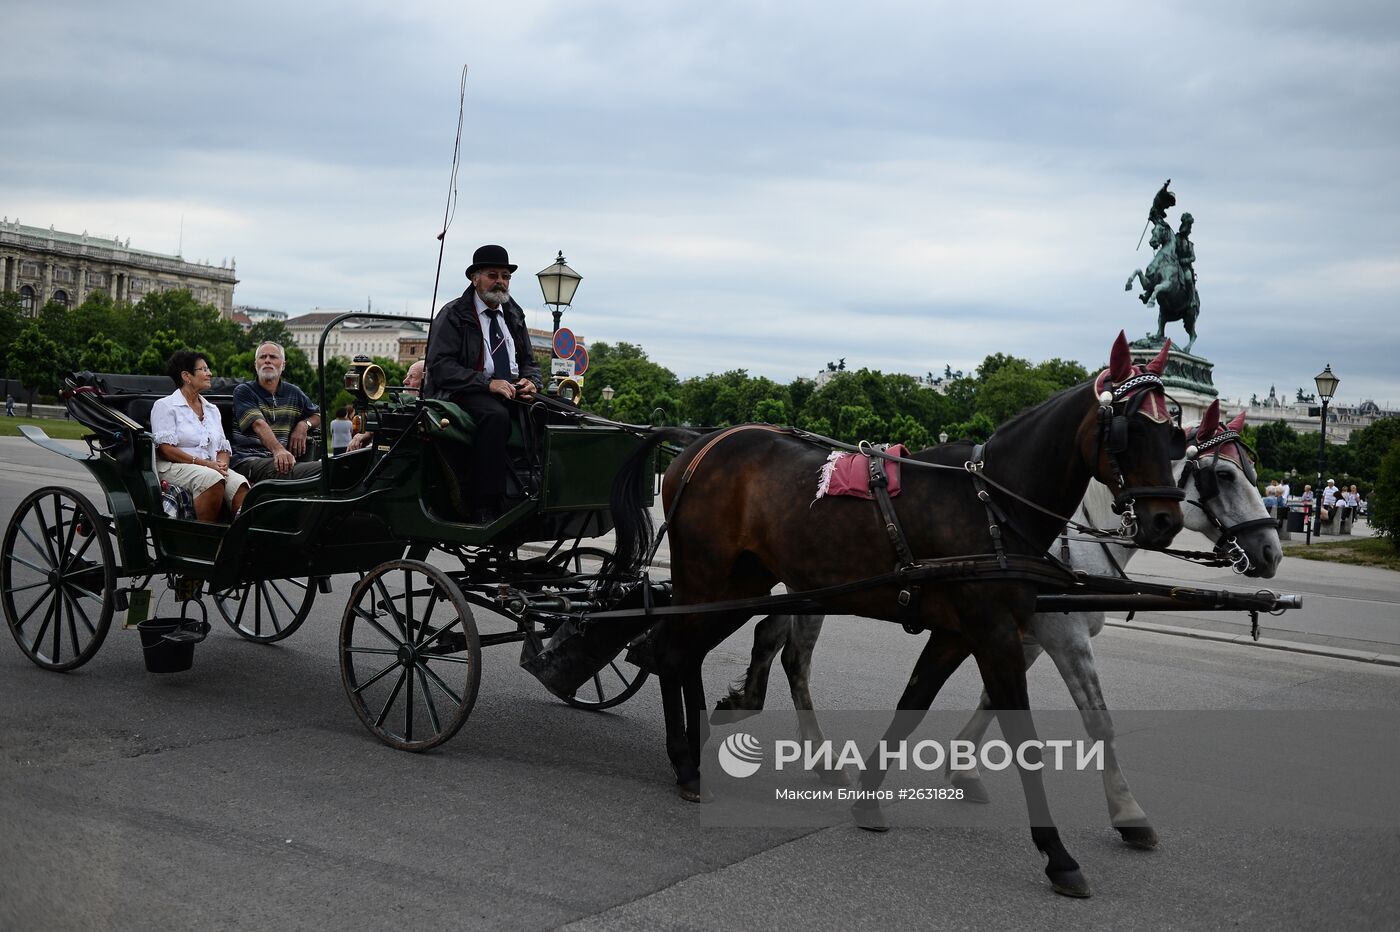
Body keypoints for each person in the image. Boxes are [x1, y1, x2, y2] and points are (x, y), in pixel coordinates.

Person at [424, 244, 543, 522]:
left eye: (506, 276)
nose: (501, 282)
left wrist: (531, 381)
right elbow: (440, 367)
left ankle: (539, 490)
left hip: (511, 388)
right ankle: (485, 504)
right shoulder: (454, 314)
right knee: (495, 416)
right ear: (475, 278)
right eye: (493, 275)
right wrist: (487, 383)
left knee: (560, 412)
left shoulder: (513, 313)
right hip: (463, 390)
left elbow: (529, 361)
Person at [150, 350, 250, 522]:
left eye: (208, 368)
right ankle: (204, 540)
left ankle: (235, 539)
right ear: (186, 376)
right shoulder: (165, 406)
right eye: (203, 369)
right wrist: (207, 465)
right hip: (174, 466)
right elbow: (165, 450)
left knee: (240, 484)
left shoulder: (212, 409)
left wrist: (222, 466)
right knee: (211, 479)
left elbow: (222, 447)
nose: (209, 373)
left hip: (210, 467)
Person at [231, 341, 322, 481]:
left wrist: (304, 425)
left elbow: (318, 415)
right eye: (262, 357)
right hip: (247, 460)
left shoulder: (294, 393)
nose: (267, 360)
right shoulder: (244, 391)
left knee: (326, 469)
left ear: (283, 364)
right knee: (318, 471)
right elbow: (258, 425)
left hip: (280, 460)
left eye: (273, 357)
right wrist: (279, 450)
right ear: (256, 364)